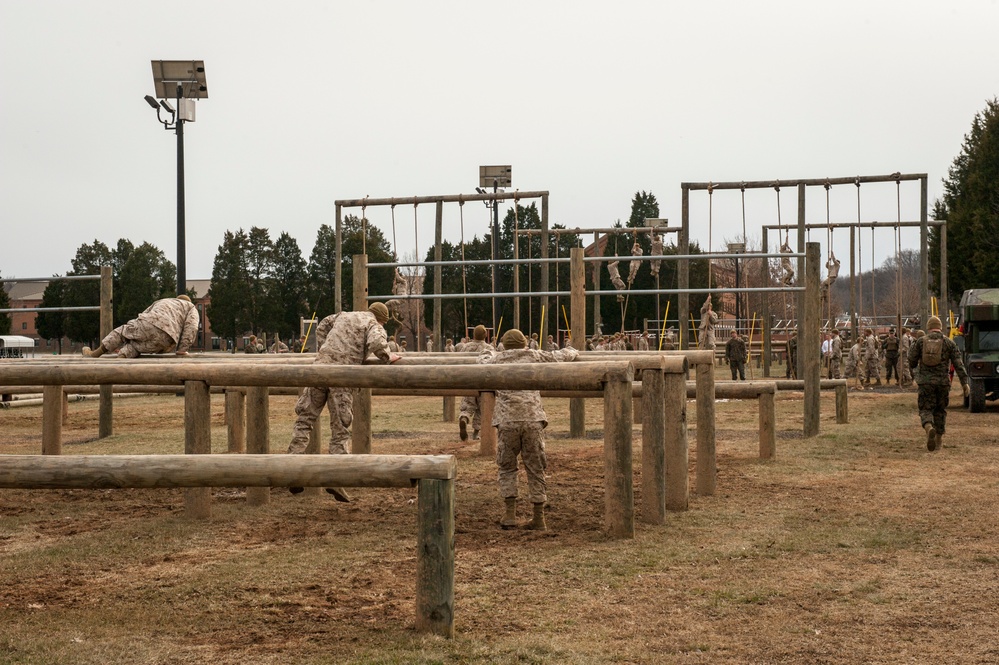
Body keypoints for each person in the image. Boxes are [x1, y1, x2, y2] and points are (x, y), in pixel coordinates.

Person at [286, 302, 400, 500]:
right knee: (340, 427)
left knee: (305, 419)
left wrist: (325, 349)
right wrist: (388, 356)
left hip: (320, 368)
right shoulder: (373, 324)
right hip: (343, 374)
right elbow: (376, 343)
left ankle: (291, 470)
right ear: (382, 318)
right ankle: (336, 478)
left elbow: (322, 325)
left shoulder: (344, 315)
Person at [479, 328, 578, 530]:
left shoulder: (498, 359)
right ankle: (538, 517)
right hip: (533, 418)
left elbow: (482, 361)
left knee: (507, 466)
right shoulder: (534, 355)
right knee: (535, 466)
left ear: (504, 345)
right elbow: (559, 356)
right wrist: (573, 350)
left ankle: (509, 514)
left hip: (507, 420)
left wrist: (488, 350)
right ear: (525, 343)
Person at [908, 316, 970, 451]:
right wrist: (964, 383)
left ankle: (929, 427)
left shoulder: (920, 342)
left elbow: (911, 360)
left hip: (925, 383)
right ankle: (939, 440)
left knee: (925, 409)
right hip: (943, 383)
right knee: (940, 411)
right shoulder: (949, 343)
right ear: (940, 327)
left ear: (928, 328)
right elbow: (958, 364)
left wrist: (916, 371)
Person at [83, 295, 199, 358]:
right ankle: (123, 356)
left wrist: (134, 329)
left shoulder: (164, 301)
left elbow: (145, 313)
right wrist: (182, 350)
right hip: (167, 339)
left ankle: (95, 354)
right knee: (137, 347)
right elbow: (191, 328)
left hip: (150, 322)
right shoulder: (191, 308)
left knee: (123, 332)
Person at [458, 325, 493, 442]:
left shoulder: (465, 347)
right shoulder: (488, 348)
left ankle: (464, 418)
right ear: (485, 335)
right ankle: (476, 433)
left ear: (473, 335)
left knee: (467, 404)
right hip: (483, 382)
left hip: (468, 380)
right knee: (481, 408)